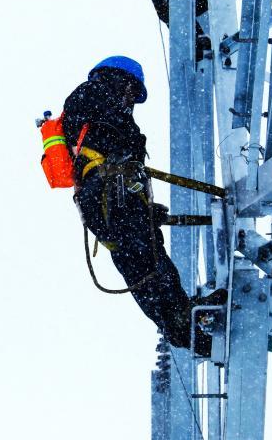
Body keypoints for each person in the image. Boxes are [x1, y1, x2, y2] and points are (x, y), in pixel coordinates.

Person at [64, 55, 227, 358]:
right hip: (111, 201)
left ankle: (184, 324)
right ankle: (184, 326)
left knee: (149, 266)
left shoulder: (95, 108)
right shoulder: (92, 96)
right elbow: (119, 146)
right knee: (148, 268)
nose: (130, 101)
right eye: (130, 91)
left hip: (112, 205)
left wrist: (145, 213)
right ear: (116, 78)